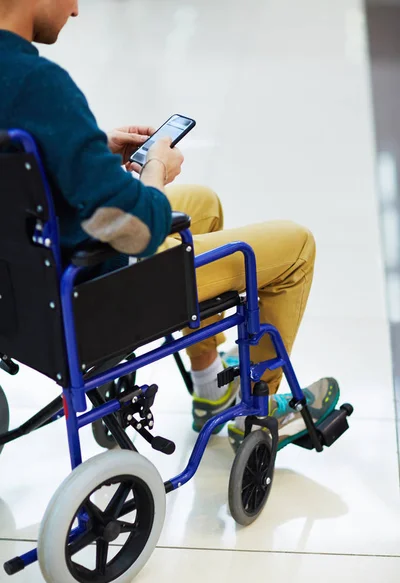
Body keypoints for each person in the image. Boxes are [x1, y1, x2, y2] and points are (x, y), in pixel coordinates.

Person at [0, 0, 340, 451]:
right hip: (92, 291)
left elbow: (21, 152)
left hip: (23, 285)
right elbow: (137, 227)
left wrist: (91, 146)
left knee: (202, 202)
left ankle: (210, 386)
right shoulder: (39, 84)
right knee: (296, 246)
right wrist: (155, 167)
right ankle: (255, 410)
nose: (77, 9)